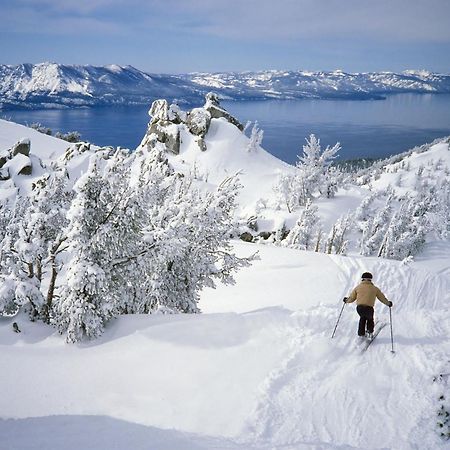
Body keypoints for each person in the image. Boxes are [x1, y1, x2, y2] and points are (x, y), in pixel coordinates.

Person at [343, 272, 392, 338]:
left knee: (362, 318)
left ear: (362, 279)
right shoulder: (375, 288)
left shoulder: (357, 288)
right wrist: (388, 303)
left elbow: (352, 298)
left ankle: (361, 333)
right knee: (370, 319)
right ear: (370, 279)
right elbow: (382, 298)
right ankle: (370, 332)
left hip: (359, 308)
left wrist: (346, 300)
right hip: (369, 308)